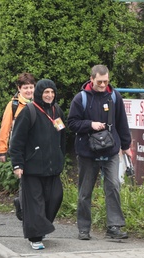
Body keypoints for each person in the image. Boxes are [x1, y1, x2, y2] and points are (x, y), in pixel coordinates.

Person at [67, 64, 132, 241]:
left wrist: (126, 146)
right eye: (100, 82)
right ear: (92, 79)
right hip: (88, 152)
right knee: (85, 192)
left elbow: (122, 122)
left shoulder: (114, 96)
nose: (103, 85)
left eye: (106, 81)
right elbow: (72, 123)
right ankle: (84, 229)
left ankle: (114, 227)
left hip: (111, 150)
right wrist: (90, 124)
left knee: (113, 187)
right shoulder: (81, 99)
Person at [9, 79, 66, 250]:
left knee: (56, 197)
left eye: (52, 92)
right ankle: (35, 237)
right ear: (39, 93)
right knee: (36, 203)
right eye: (46, 92)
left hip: (52, 168)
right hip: (32, 168)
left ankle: (27, 213)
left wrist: (60, 157)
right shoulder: (29, 112)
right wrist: (17, 164)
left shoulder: (58, 111)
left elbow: (62, 137)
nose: (49, 95)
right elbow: (17, 141)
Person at [0, 72, 36, 221]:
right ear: (19, 88)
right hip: (21, 148)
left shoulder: (38, 102)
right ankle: (24, 207)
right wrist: (2, 150)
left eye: (31, 87)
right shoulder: (13, 105)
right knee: (24, 178)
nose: (29, 91)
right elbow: (5, 128)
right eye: (25, 88)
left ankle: (22, 203)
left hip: (37, 148)